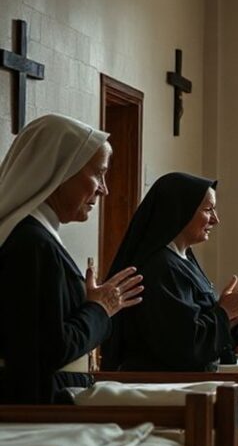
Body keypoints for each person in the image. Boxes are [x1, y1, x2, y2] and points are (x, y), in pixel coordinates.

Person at [0, 114, 142, 404]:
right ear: (61, 170)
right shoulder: (32, 244)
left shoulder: (34, 237)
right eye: (99, 173)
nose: (104, 188)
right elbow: (47, 349)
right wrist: (100, 309)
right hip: (40, 412)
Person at [101, 173, 238, 372]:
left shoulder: (184, 259)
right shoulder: (159, 267)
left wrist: (231, 318)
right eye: (208, 210)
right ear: (181, 211)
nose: (216, 219)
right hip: (160, 385)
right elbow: (182, 347)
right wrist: (224, 312)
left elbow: (198, 331)